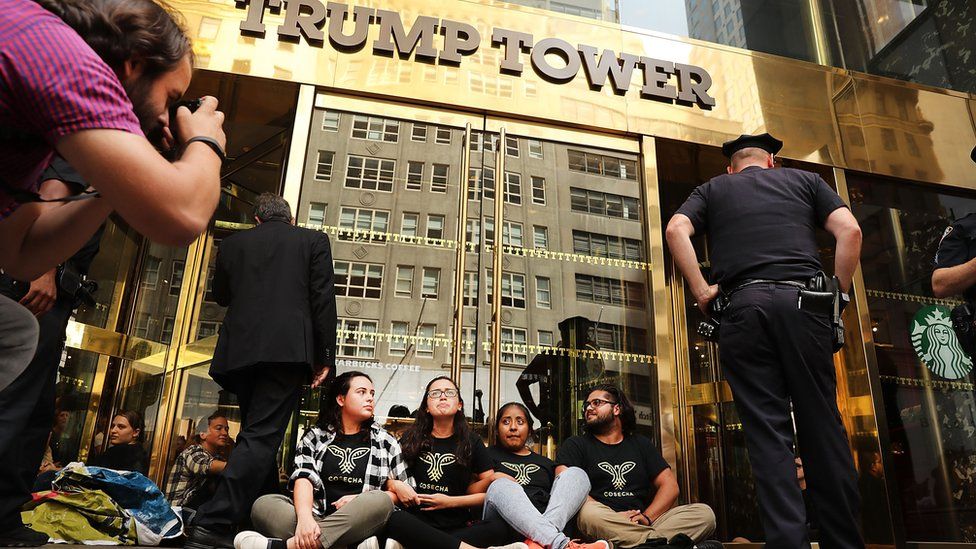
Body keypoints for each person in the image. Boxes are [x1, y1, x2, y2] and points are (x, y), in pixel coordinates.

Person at [0, 1, 225, 542]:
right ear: (133, 64)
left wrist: (116, 183)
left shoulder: (43, 111)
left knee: (14, 333)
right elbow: (184, 214)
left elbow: (22, 251)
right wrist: (206, 141)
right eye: (171, 97)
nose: (166, 116)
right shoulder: (60, 52)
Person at [665, 133, 864, 548]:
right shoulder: (804, 180)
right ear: (772, 163)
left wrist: (702, 291)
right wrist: (838, 297)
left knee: (767, 435)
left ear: (730, 168)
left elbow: (675, 229)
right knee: (822, 427)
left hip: (743, 308)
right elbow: (851, 231)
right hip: (804, 305)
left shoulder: (712, 189)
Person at [185, 194, 338, 549]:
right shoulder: (312, 240)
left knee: (258, 434)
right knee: (261, 436)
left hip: (240, 352)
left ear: (256, 218)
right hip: (285, 352)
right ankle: (214, 520)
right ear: (291, 218)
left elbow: (221, 295)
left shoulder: (233, 244)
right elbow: (322, 299)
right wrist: (325, 355)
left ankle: (254, 515)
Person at [234, 372, 405, 549]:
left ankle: (284, 547)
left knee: (381, 501)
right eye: (361, 392)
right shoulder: (315, 436)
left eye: (372, 393)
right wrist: (305, 519)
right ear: (341, 399)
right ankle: (344, 545)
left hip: (359, 521)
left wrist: (359, 499)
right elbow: (303, 478)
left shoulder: (386, 441)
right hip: (315, 517)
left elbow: (402, 494)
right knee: (264, 505)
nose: (369, 398)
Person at [556, 385, 716, 547]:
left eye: (597, 402)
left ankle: (636, 544)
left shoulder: (640, 444)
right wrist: (615, 519)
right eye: (587, 405)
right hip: (602, 521)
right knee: (588, 513)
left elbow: (670, 486)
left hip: (641, 521)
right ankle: (662, 544)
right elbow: (566, 488)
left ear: (617, 409)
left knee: (704, 514)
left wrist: (647, 517)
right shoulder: (575, 444)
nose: (589, 408)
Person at [382, 376, 527, 549]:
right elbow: (385, 479)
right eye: (435, 393)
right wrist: (395, 485)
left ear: (459, 405)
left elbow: (490, 495)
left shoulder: (472, 442)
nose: (443, 396)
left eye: (449, 393)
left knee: (500, 527)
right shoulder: (409, 439)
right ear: (426, 407)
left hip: (456, 526)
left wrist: (450, 502)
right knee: (394, 519)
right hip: (416, 521)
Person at [483, 402, 608, 549]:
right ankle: (561, 544)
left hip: (542, 517)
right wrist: (493, 478)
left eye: (520, 422)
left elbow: (564, 497)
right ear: (497, 429)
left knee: (576, 473)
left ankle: (535, 543)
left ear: (530, 430)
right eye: (505, 422)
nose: (513, 427)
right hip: (502, 520)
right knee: (502, 485)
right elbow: (470, 490)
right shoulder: (487, 455)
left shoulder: (546, 463)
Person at [167, 412, 231, 510]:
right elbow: (207, 465)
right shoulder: (192, 452)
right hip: (178, 515)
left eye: (226, 429)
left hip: (194, 515)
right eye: (219, 428)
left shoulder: (218, 458)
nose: (225, 433)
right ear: (203, 434)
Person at [87, 410, 149, 475]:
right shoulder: (141, 454)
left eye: (121, 427)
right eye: (113, 426)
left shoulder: (117, 453)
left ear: (136, 432)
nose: (113, 430)